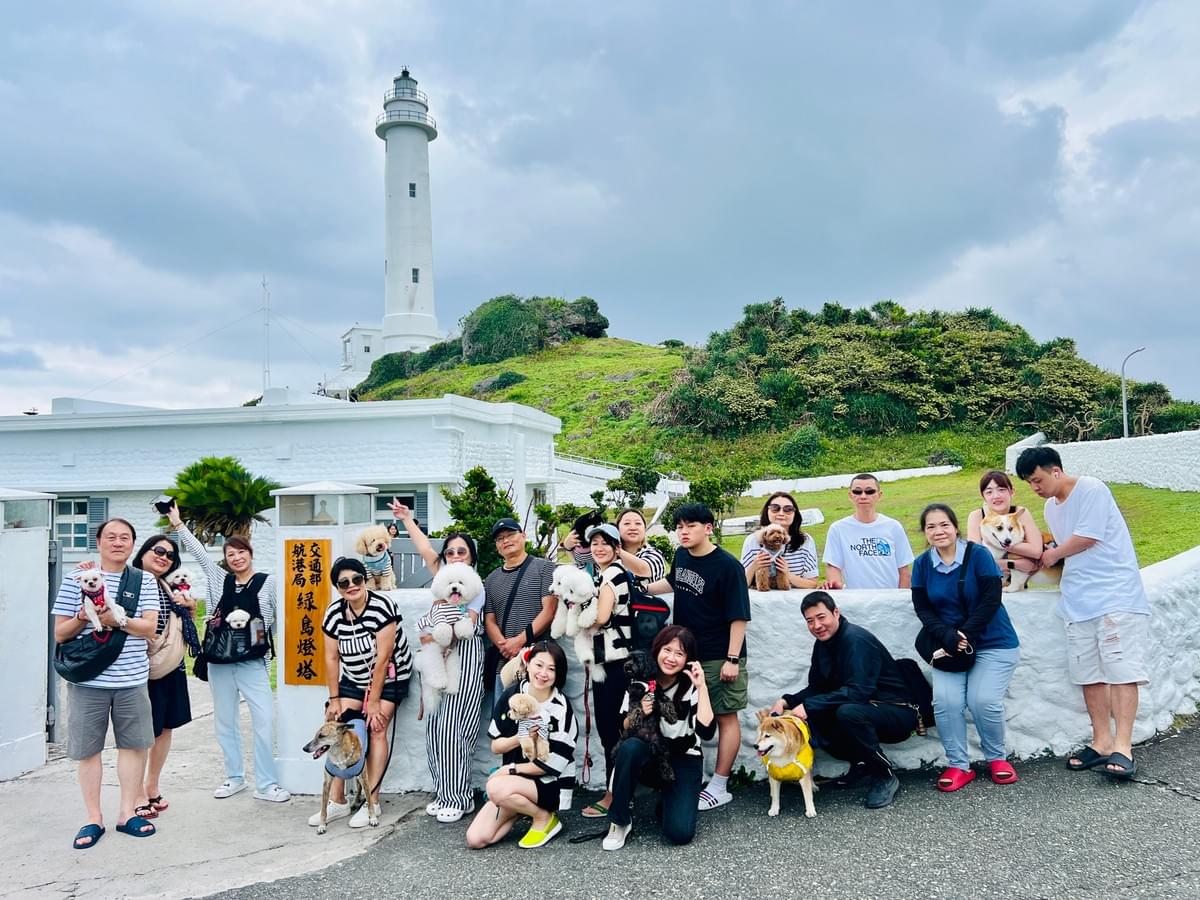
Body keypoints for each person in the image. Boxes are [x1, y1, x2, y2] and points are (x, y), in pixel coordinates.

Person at [1016, 446, 1151, 779]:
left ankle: (1123, 747)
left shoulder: (1091, 487)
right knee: (1088, 674)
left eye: (1038, 479)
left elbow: (1086, 538)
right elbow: (1064, 550)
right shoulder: (1051, 508)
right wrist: (1041, 558)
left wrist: (1051, 555)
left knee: (1121, 670)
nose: (1035, 488)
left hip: (1115, 593)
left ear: (1056, 471)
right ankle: (1102, 741)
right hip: (1077, 598)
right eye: (1030, 484)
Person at [167, 506, 290, 802]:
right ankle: (234, 777)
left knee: (264, 720)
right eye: (231, 554)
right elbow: (198, 553)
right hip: (220, 661)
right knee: (225, 721)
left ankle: (266, 783)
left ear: (250, 553)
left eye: (241, 552)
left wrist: (262, 642)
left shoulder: (268, 581)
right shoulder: (217, 578)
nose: (236, 557)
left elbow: (276, 619)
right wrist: (178, 524)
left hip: (252, 661)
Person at [52, 518, 161, 848]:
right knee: (89, 751)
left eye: (125, 538)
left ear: (132, 545)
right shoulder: (76, 580)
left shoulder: (144, 581)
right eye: (110, 537)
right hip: (88, 680)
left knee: (134, 746)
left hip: (132, 678)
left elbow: (149, 628)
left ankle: (127, 813)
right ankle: (92, 818)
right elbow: (60, 633)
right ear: (98, 543)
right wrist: (84, 618)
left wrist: (119, 620)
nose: (118, 542)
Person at [644, 502, 749, 811]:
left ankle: (720, 785)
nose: (683, 532)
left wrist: (732, 659)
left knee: (725, 716)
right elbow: (673, 582)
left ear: (708, 527)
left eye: (690, 525)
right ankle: (693, 777)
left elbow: (739, 617)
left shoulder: (728, 566)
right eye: (679, 527)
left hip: (719, 655)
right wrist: (643, 590)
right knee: (690, 715)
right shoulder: (681, 556)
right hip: (687, 653)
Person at [771, 591, 918, 809]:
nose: (817, 625)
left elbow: (859, 692)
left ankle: (884, 774)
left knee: (846, 712)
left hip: (898, 712)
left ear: (836, 613)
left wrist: (809, 706)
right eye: (810, 621)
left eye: (821, 617)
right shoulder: (823, 644)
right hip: (869, 708)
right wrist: (786, 701)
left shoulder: (855, 640)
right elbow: (818, 688)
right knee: (818, 715)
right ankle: (863, 764)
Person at [911, 504, 1020, 791]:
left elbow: (991, 598)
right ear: (925, 532)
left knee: (982, 701)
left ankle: (997, 758)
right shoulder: (922, 564)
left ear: (955, 527)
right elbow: (922, 607)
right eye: (931, 526)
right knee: (946, 703)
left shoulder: (979, 555)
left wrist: (965, 633)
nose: (938, 531)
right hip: (949, 647)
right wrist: (948, 636)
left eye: (944, 524)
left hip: (992, 641)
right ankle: (958, 765)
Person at [391, 499, 486, 822]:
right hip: (438, 662)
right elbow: (424, 551)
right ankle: (444, 792)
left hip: (466, 661)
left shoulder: (475, 585)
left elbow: (468, 628)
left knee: (456, 729)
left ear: (471, 555)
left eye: (462, 551)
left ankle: (459, 796)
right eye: (450, 552)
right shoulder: (443, 578)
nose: (456, 557)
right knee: (435, 727)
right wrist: (406, 519)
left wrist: (434, 636)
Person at [311, 557, 413, 828]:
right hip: (354, 678)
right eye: (344, 582)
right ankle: (338, 800)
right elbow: (331, 658)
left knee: (376, 726)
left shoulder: (382, 607)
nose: (352, 586)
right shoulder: (334, 613)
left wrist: (376, 701)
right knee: (336, 726)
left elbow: (383, 657)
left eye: (357, 579)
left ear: (364, 579)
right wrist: (334, 699)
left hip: (391, 676)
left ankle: (372, 801)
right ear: (338, 587)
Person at [602, 626, 716, 850]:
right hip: (649, 754)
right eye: (667, 650)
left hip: (683, 758)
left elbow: (707, 731)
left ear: (688, 659)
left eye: (680, 654)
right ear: (657, 649)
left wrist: (701, 687)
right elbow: (621, 725)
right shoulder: (642, 679)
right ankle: (620, 820)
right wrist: (640, 712)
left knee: (679, 833)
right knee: (630, 747)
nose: (671, 658)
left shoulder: (690, 686)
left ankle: (669, 802)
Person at [466, 642, 577, 849]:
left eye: (551, 669)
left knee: (494, 787)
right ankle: (519, 807)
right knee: (476, 839)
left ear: (558, 674)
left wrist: (508, 770)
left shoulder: (561, 709)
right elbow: (496, 746)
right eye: (539, 665)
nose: (543, 674)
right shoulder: (513, 695)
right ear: (528, 665)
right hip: (513, 784)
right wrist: (520, 736)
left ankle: (543, 817)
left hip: (549, 784)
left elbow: (552, 766)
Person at [130, 534, 199, 820]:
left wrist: (189, 609)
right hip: (140, 666)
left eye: (170, 555)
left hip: (171, 665)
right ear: (144, 552)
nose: (164, 557)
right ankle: (135, 794)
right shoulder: (129, 581)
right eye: (158, 550)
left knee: (166, 728)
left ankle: (152, 785)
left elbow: (180, 623)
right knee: (142, 733)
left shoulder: (167, 587)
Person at [578, 523, 635, 820]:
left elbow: (600, 618)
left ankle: (615, 796)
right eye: (594, 543)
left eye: (605, 543)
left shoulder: (612, 574)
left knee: (611, 732)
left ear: (616, 548)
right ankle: (621, 792)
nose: (598, 548)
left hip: (614, 664)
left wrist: (578, 619)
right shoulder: (606, 575)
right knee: (614, 730)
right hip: (611, 662)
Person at [483, 518, 557, 698]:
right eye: (500, 539)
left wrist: (518, 641)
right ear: (497, 547)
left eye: (510, 535)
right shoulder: (491, 579)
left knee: (537, 719)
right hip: (505, 663)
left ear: (523, 536)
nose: (506, 541)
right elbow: (489, 619)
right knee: (505, 719)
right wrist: (504, 646)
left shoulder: (545, 568)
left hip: (538, 661)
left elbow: (549, 611)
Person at [822, 474, 914, 589]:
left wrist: (900, 600)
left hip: (890, 601)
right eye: (857, 492)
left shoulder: (893, 527)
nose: (863, 496)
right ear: (850, 495)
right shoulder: (838, 529)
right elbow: (833, 566)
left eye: (869, 492)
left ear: (879, 495)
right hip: (856, 601)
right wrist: (836, 585)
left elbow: (904, 571)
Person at [966, 470, 1044, 581]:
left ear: (1012, 492)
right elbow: (975, 558)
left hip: (1016, 583)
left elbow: (1036, 551)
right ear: (983, 496)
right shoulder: (977, 516)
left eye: (1001, 490)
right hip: (987, 582)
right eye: (989, 492)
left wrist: (994, 541)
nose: (996, 496)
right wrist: (1014, 564)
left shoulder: (1020, 513)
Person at [741, 491, 820, 589]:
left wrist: (787, 574)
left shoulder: (805, 541)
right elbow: (741, 584)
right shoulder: (752, 541)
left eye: (788, 509)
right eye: (775, 508)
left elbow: (812, 584)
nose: (781, 513)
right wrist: (754, 566)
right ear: (767, 511)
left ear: (795, 514)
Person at [560, 508, 662, 580]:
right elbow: (581, 562)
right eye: (627, 523)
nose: (633, 527)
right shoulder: (607, 555)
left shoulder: (653, 554)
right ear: (617, 529)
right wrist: (568, 547)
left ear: (644, 528)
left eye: (638, 523)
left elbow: (644, 570)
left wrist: (616, 548)